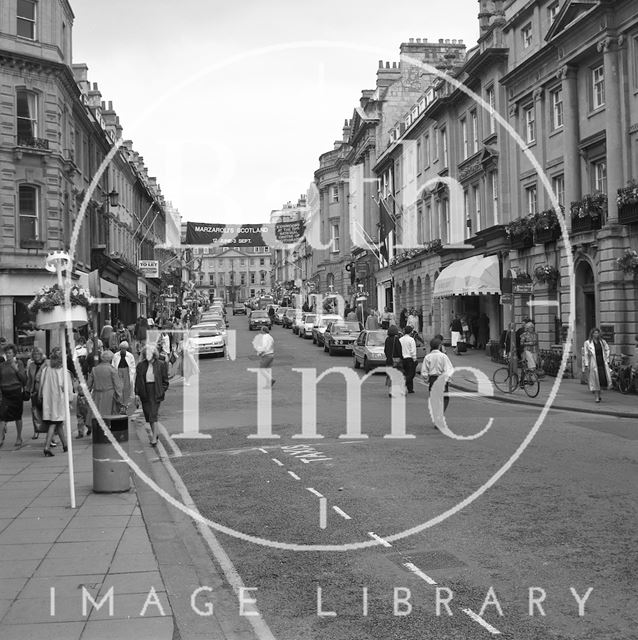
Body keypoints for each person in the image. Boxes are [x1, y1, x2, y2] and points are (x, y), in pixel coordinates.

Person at [39, 346, 72, 457]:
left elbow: (41, 384)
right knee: (55, 422)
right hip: (58, 400)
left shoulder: (46, 370)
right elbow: (67, 388)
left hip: (48, 400)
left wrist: (40, 396)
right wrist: (70, 400)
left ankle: (65, 445)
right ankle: (47, 447)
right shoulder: (63, 372)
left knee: (58, 423)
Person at [135, 343, 169, 446]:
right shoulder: (141, 366)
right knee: (148, 415)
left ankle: (154, 438)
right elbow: (138, 381)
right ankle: (155, 433)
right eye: (146, 354)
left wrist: (162, 390)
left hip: (156, 391)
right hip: (145, 392)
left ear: (154, 354)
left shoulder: (161, 364)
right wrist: (136, 394)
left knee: (153, 415)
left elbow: (165, 381)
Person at [86, 350, 125, 433]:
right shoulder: (112, 370)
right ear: (110, 359)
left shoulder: (94, 369)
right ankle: (106, 432)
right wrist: (119, 397)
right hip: (109, 395)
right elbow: (117, 385)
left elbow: (88, 385)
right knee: (109, 415)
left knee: (97, 414)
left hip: (96, 394)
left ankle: (98, 432)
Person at [0, 343, 27, 448]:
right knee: (2, 416)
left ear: (14, 353)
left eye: (10, 352)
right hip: (5, 393)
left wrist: (16, 369)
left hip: (16, 392)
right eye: (6, 352)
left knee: (17, 416)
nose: (8, 354)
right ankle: (0, 438)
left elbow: (24, 379)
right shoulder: (2, 365)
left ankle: (19, 437)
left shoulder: (19, 363)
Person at [421, 337, 454, 419]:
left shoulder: (428, 357)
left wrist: (426, 379)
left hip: (432, 379)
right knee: (444, 398)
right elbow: (449, 369)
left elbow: (424, 371)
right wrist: (449, 379)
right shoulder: (443, 356)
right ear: (439, 346)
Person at [582, 327, 612, 403]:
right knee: (595, 380)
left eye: (597, 333)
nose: (596, 334)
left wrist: (607, 358)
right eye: (595, 333)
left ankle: (599, 394)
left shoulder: (602, 342)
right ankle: (596, 397)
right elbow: (585, 354)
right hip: (593, 362)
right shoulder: (587, 343)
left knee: (601, 379)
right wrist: (586, 364)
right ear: (592, 334)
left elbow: (607, 349)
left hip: (601, 362)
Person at [25, 346, 47, 440]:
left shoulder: (47, 364)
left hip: (45, 392)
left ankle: (49, 435)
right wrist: (27, 390)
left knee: (46, 413)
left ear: (41, 355)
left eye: (38, 354)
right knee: (35, 413)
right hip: (34, 392)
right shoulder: (32, 365)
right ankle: (36, 431)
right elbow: (30, 379)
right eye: (34, 354)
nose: (36, 355)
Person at [112, 341, 136, 413]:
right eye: (122, 348)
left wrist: (132, 374)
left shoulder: (130, 356)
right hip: (118, 372)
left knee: (126, 389)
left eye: (124, 349)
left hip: (127, 372)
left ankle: (125, 405)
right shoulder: (116, 355)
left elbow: (133, 366)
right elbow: (113, 365)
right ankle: (120, 404)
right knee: (119, 388)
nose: (123, 350)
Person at [384, 325, 405, 397]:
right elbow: (399, 351)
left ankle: (390, 391)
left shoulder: (387, 339)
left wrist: (388, 357)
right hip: (396, 361)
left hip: (389, 360)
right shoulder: (396, 340)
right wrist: (402, 358)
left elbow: (385, 350)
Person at [399, 325, 418, 394]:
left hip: (402, 359)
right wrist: (414, 359)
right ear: (411, 332)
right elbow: (413, 351)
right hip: (409, 358)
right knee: (411, 374)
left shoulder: (400, 339)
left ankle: (410, 388)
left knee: (406, 373)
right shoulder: (411, 340)